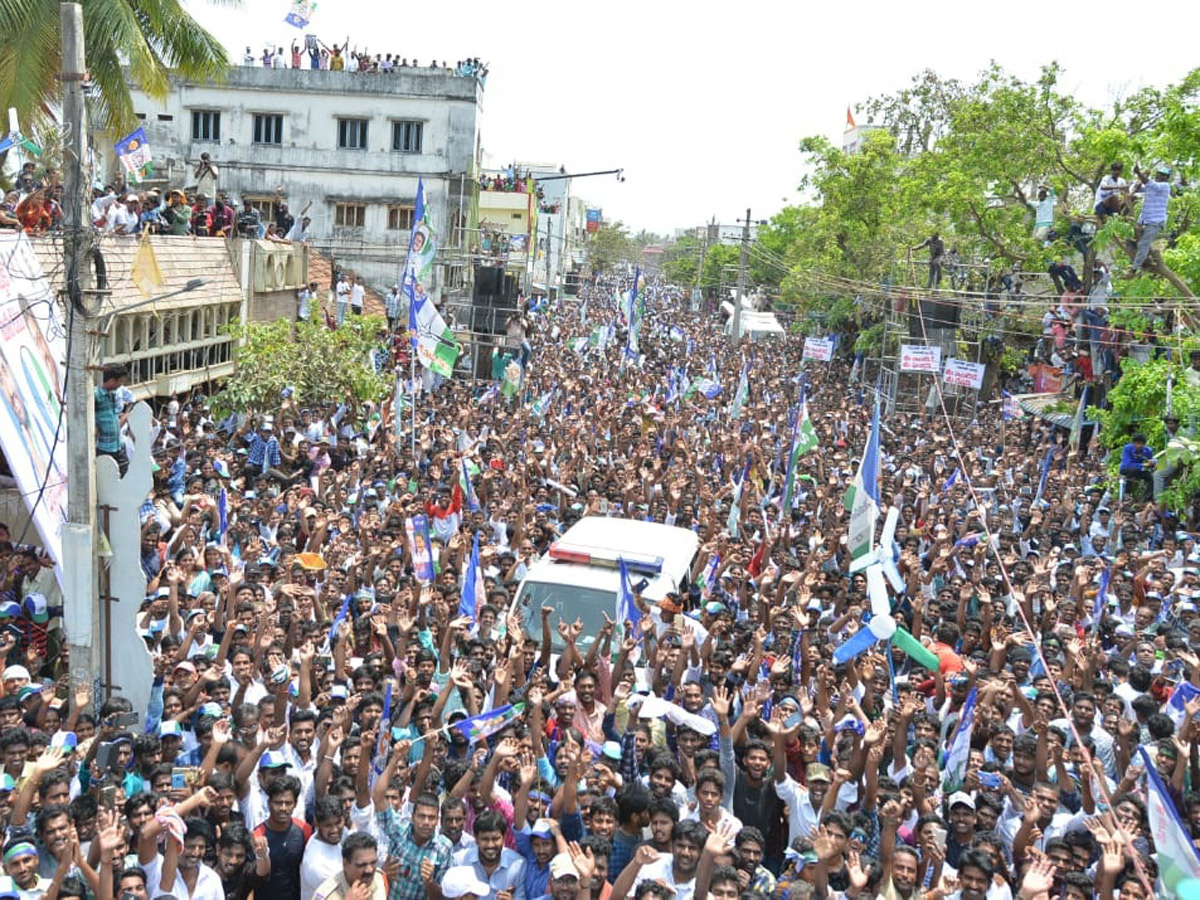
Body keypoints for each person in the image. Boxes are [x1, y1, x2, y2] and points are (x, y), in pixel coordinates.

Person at [1130, 164, 1173, 271]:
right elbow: (1137, 189)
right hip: (1144, 219)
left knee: (1143, 244)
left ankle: (1134, 269)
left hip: (1155, 221)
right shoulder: (1151, 185)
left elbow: (1150, 183)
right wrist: (1139, 179)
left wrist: (1139, 173)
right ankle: (1141, 259)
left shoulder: (1164, 186)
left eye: (1162, 175)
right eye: (1158, 173)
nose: (1158, 175)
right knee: (1132, 239)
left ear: (1166, 178)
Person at [94, 364, 129, 476]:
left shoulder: (112, 394)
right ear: (112, 380)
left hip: (118, 446)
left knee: (125, 475)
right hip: (105, 448)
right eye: (119, 382)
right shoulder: (96, 395)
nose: (120, 385)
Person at [1119, 433, 1155, 497]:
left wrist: (1152, 463)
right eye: (1137, 443)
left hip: (1138, 470)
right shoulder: (1127, 448)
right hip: (1126, 468)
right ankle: (1127, 493)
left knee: (1152, 477)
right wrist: (1144, 464)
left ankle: (1147, 496)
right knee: (1133, 470)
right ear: (1133, 443)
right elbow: (1128, 464)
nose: (1139, 446)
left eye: (1141, 444)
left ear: (1144, 444)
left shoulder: (1148, 450)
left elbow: (1151, 461)